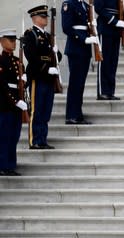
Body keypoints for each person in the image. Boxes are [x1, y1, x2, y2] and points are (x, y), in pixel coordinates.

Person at [23, 5, 62, 149]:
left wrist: (56, 53)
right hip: (38, 77)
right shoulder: (30, 34)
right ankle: (34, 140)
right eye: (42, 17)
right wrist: (46, 69)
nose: (45, 19)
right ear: (34, 18)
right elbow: (31, 57)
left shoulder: (47, 36)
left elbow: (57, 57)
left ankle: (42, 139)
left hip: (49, 79)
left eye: (46, 16)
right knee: (36, 110)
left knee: (46, 111)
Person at [61, 0, 96, 124]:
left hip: (85, 49)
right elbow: (66, 27)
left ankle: (77, 113)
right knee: (75, 83)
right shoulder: (69, 4)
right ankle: (71, 115)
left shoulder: (85, 6)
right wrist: (83, 39)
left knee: (80, 84)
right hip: (76, 48)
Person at [0, 29, 27, 176]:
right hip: (5, 105)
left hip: (17, 104)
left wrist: (25, 81)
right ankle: (3, 165)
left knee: (14, 136)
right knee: (4, 136)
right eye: (10, 40)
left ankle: (11, 164)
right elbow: (3, 85)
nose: (13, 43)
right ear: (2, 42)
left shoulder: (17, 61)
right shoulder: (1, 61)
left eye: (14, 40)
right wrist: (15, 101)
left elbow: (21, 84)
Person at [94, 0, 124, 100]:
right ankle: (102, 91)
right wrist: (114, 21)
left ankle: (110, 91)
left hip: (116, 30)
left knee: (113, 62)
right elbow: (99, 8)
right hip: (105, 28)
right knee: (104, 61)